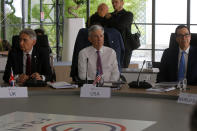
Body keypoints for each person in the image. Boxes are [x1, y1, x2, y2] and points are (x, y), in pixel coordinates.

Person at [105, 0, 133, 68]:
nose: (114, 4)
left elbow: (120, 26)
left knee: (122, 70)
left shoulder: (128, 15)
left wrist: (110, 18)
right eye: (112, 2)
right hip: (110, 46)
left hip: (124, 47)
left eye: (116, 2)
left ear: (122, 3)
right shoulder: (110, 15)